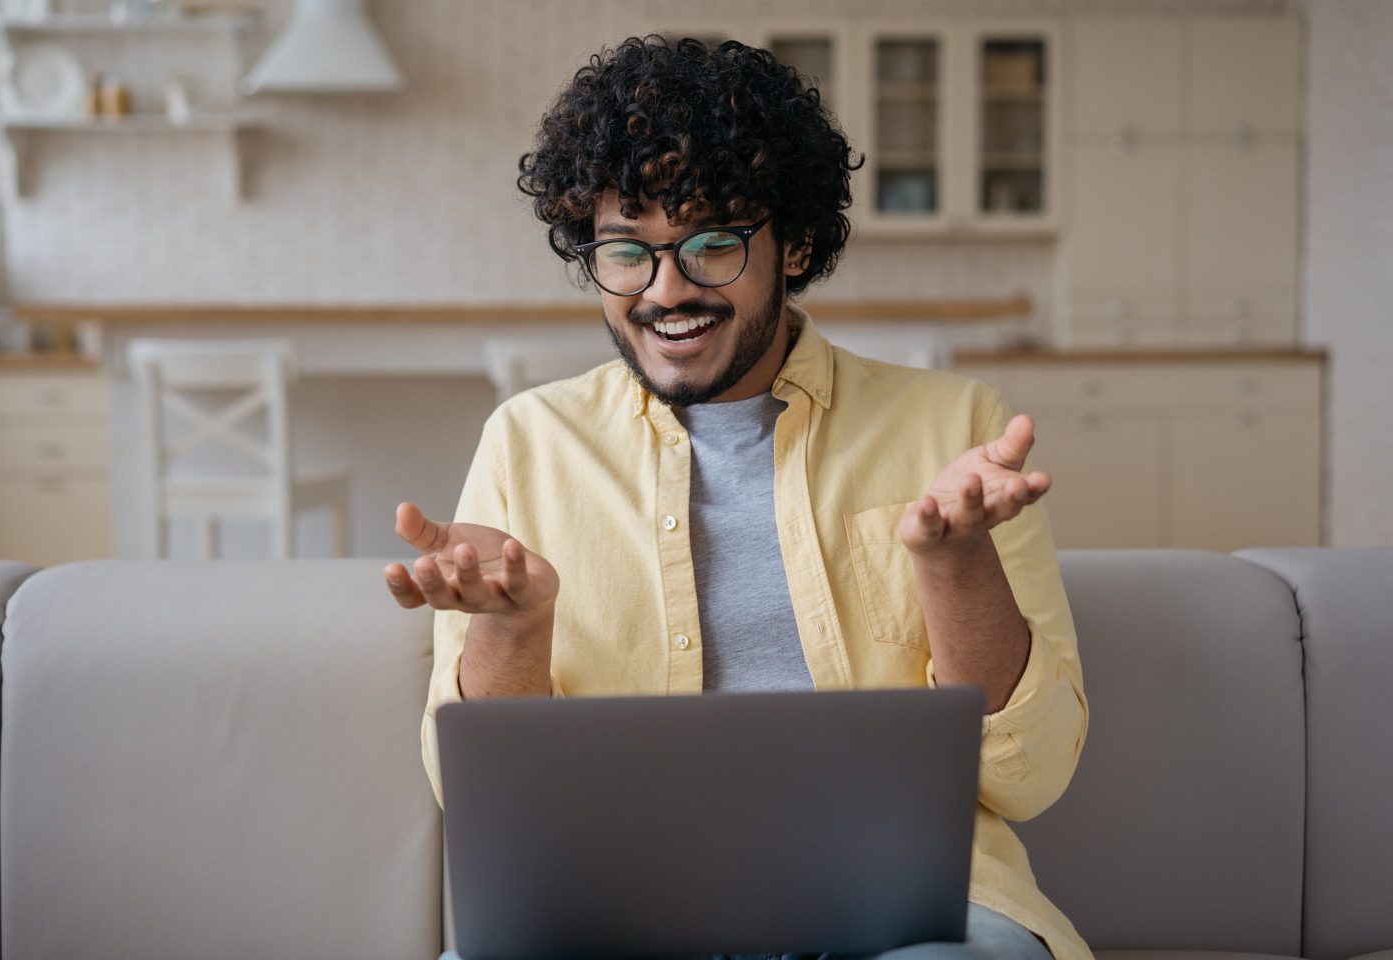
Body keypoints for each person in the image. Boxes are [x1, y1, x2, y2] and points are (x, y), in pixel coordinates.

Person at [386, 35, 1091, 960]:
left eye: (713, 245)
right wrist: (513, 630)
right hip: (617, 905)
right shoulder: (528, 443)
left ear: (794, 244)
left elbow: (1033, 779)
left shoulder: (954, 425)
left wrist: (956, 567)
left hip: (913, 913)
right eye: (626, 252)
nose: (666, 291)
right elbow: (477, 799)